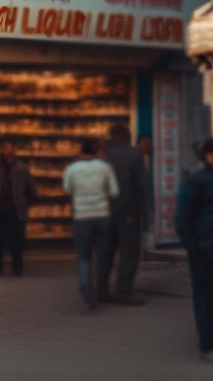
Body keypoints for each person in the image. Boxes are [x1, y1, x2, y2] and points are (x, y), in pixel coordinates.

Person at [178, 138, 213, 362]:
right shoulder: (197, 181)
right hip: (204, 250)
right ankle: (209, 346)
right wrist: (192, 247)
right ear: (209, 155)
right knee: (206, 298)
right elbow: (182, 216)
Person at [63, 138, 120, 310]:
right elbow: (114, 191)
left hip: (82, 216)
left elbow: (67, 189)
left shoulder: (72, 169)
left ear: (81, 151)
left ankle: (86, 290)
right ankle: (102, 289)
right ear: (96, 152)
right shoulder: (105, 167)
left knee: (84, 256)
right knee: (102, 256)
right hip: (102, 215)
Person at [102, 122, 152, 305]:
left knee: (105, 253)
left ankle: (101, 290)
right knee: (129, 253)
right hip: (128, 212)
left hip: (102, 212)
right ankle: (123, 290)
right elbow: (142, 184)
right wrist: (148, 214)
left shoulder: (101, 153)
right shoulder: (134, 154)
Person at [0, 141, 36, 276]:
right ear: (2, 150)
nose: (8, 151)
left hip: (16, 210)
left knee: (17, 241)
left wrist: (24, 204)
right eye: (6, 148)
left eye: (11, 148)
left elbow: (31, 190)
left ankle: (17, 268)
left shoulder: (21, 168)